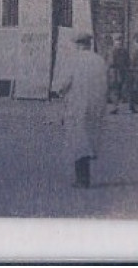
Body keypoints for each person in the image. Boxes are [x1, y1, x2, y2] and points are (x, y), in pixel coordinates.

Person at [52, 32, 109, 188]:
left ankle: (82, 179)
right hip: (96, 106)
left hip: (77, 106)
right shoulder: (99, 60)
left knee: (78, 141)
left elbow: (63, 84)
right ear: (89, 44)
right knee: (90, 138)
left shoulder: (73, 60)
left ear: (77, 45)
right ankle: (85, 176)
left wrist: (58, 91)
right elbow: (105, 83)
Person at [106, 35, 130, 114]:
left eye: (119, 41)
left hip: (118, 72)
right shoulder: (115, 51)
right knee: (116, 89)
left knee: (117, 89)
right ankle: (115, 106)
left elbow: (127, 61)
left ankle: (116, 106)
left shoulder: (120, 51)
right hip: (117, 72)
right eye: (117, 41)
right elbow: (109, 62)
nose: (118, 43)